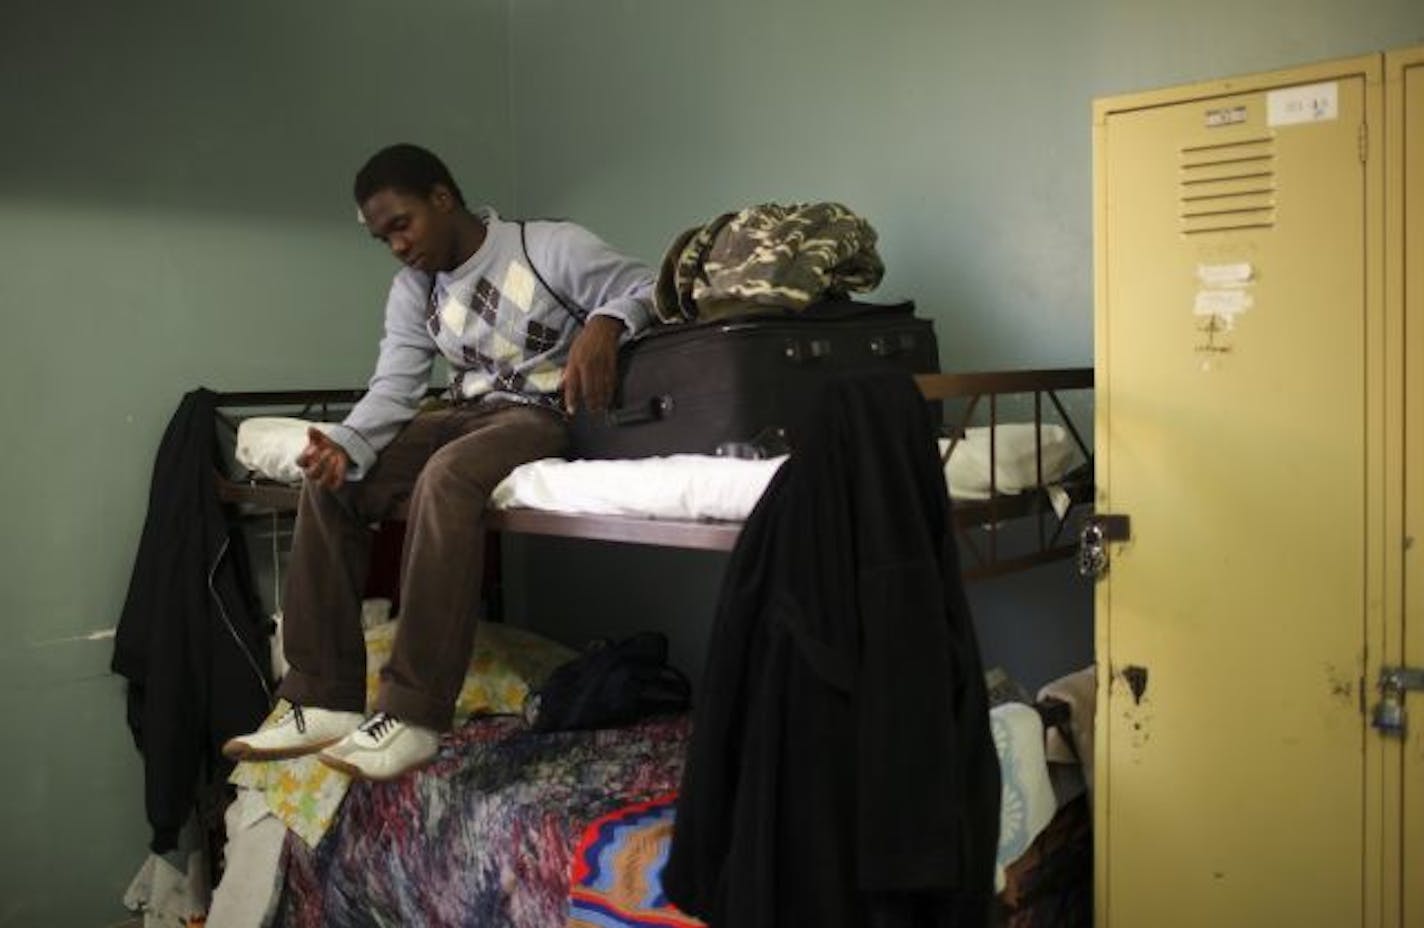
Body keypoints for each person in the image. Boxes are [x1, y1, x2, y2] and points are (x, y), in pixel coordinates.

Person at [222, 143, 655, 780]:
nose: (396, 245)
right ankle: (321, 696)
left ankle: (416, 712)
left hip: (539, 414)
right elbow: (395, 386)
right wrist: (345, 443)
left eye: (402, 224)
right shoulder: (413, 289)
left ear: (443, 198)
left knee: (447, 475)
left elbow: (650, 289)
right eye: (382, 237)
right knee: (335, 479)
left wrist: (608, 320)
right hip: (460, 410)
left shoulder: (548, 247)